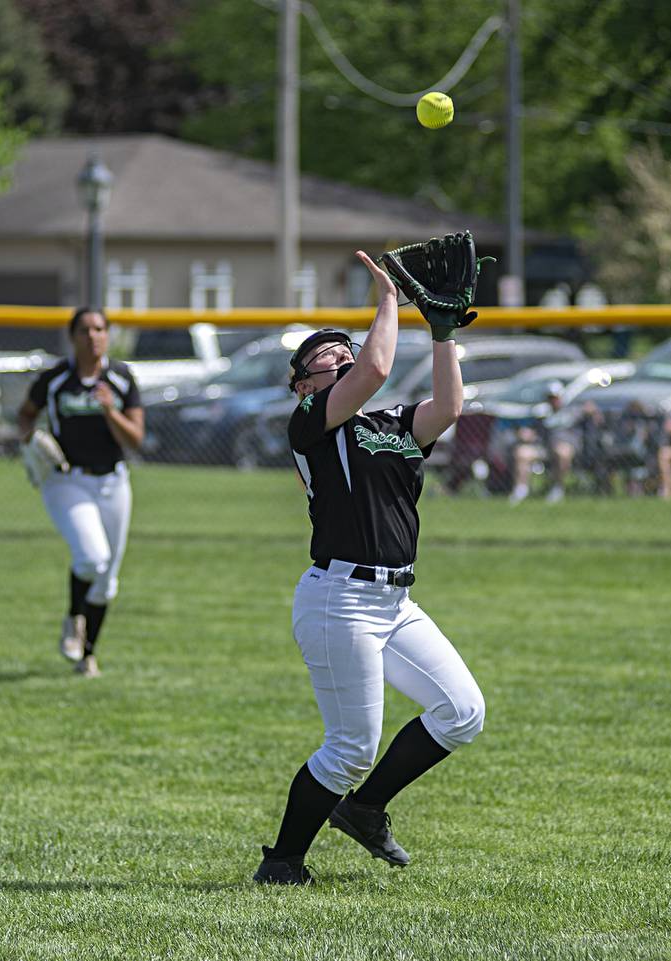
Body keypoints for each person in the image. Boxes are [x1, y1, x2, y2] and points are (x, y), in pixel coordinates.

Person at [253, 251, 485, 886]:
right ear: (303, 387)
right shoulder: (310, 425)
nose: (339, 355)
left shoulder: (386, 425)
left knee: (463, 712)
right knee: (351, 745)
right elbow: (378, 366)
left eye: (342, 347)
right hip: (339, 599)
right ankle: (282, 862)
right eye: (322, 358)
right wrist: (391, 299)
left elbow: (447, 409)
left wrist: (442, 332)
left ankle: (365, 809)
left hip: (394, 602)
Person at [17, 307, 144, 678]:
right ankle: (75, 617)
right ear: (72, 337)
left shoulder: (120, 378)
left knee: (107, 580)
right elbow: (25, 414)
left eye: (100, 329)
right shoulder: (57, 379)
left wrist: (110, 411)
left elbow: (135, 438)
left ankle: (87, 655)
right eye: (85, 330)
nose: (93, 337)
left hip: (113, 481)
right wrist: (28, 437)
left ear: (108, 335)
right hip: (67, 480)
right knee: (91, 558)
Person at [508, 387, 578, 504]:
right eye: (550, 398)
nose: (553, 401)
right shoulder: (541, 414)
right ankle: (521, 489)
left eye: (555, 398)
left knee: (562, 451)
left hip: (566, 447)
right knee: (522, 452)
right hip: (544, 448)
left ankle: (557, 488)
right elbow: (534, 431)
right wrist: (528, 434)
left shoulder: (573, 411)